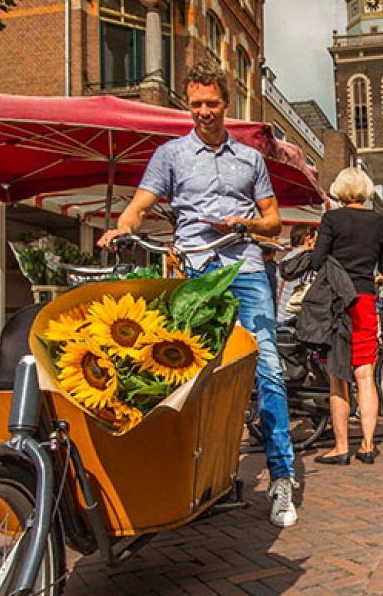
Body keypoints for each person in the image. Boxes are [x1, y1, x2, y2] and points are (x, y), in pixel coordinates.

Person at [99, 61, 297, 528]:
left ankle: (283, 477)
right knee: (188, 372)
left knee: (266, 366)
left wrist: (245, 223)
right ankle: (197, 477)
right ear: (187, 105)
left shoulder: (250, 159)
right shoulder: (170, 155)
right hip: (195, 271)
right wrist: (121, 229)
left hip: (244, 269)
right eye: (195, 105)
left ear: (227, 104)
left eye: (211, 103)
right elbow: (138, 207)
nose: (203, 112)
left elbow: (274, 221)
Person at [307, 167, 383, 466]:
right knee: (365, 374)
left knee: (337, 376)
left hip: (336, 301)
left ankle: (341, 447)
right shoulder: (381, 222)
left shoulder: (332, 219)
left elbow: (317, 261)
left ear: (340, 190)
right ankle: (368, 445)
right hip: (365, 299)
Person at [277, 224, 318, 323]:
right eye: (316, 238)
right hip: (295, 318)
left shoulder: (285, 259)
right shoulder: (308, 261)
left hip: (279, 315)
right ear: (309, 238)